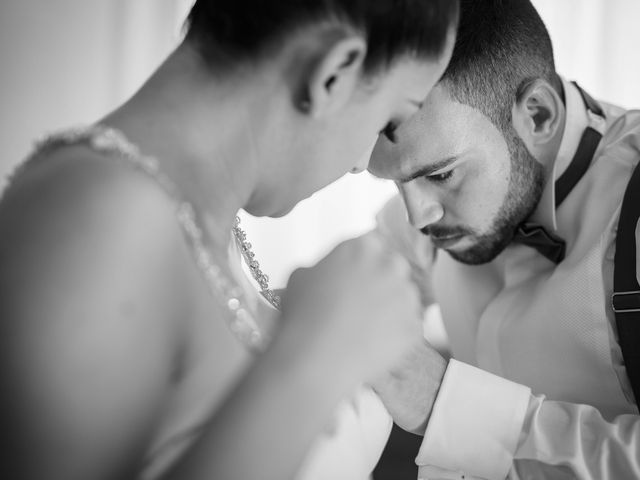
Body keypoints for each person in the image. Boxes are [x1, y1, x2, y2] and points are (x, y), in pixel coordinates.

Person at [0, 1, 459, 479]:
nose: (364, 164)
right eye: (388, 120)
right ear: (334, 73)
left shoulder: (201, 222)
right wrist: (313, 359)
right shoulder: (98, 223)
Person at [369, 0, 640, 478]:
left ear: (537, 116)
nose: (416, 217)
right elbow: (370, 281)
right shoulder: (434, 203)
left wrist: (444, 405)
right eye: (396, 182)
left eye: (442, 174)